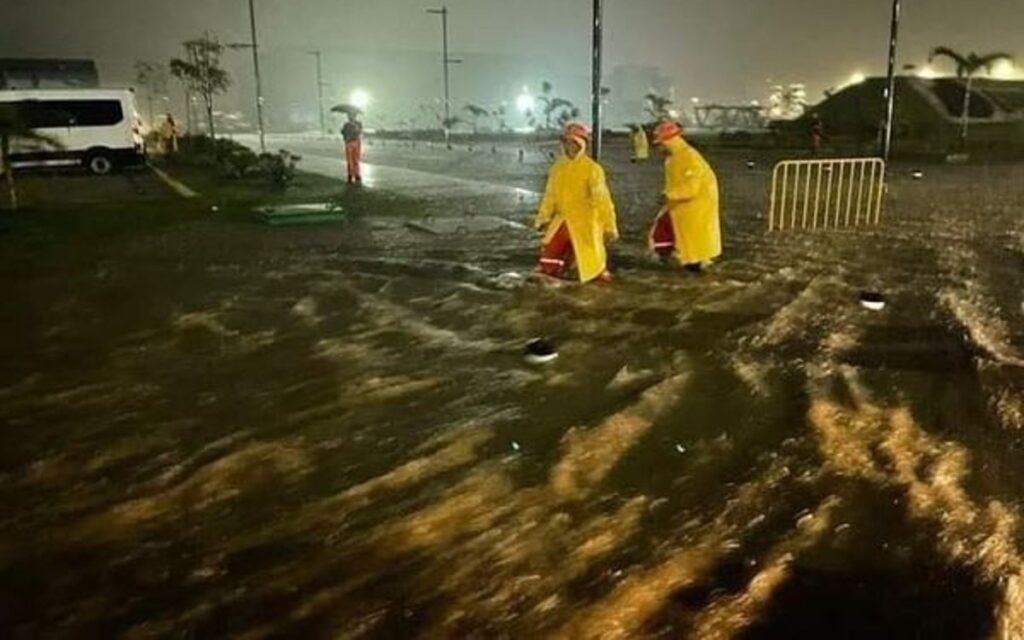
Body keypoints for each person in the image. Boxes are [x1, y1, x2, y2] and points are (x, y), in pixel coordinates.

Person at [535, 122, 619, 284]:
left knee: (594, 268)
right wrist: (543, 218)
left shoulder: (592, 169)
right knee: (549, 261)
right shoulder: (558, 168)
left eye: (574, 142)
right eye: (566, 142)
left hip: (586, 224)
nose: (570, 146)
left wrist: (609, 226)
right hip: (562, 222)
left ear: (582, 144)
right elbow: (550, 196)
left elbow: (603, 200)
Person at [648, 120, 721, 272]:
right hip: (679, 207)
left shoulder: (689, 157)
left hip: (693, 210)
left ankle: (693, 271)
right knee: (662, 235)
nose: (658, 148)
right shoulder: (674, 158)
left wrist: (669, 195)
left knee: (693, 250)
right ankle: (673, 264)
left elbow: (692, 188)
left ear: (668, 141)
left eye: (659, 144)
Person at [341, 113, 363, 184]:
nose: (350, 117)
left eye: (352, 116)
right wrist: (344, 134)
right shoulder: (346, 125)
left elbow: (359, 132)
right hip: (349, 143)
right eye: (349, 116)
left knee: (356, 159)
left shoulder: (358, 124)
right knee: (349, 160)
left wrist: (356, 128)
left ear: (355, 116)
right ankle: (350, 175)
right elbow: (343, 132)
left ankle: (357, 174)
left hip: (356, 142)